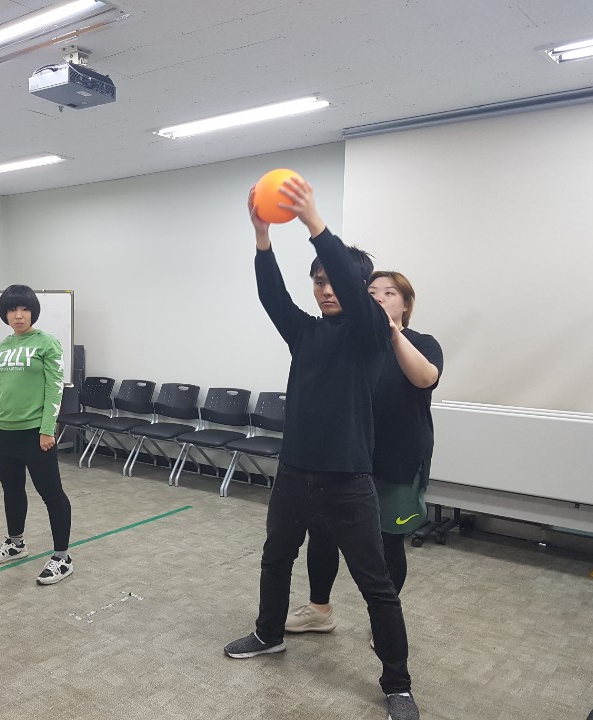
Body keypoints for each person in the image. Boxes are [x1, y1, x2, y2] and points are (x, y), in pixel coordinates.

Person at [223, 179, 421, 720]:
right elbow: (272, 297)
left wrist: (315, 225)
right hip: (295, 472)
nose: (325, 289)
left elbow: (356, 295)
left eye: (334, 281)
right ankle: (269, 634)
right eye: (318, 281)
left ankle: (398, 684)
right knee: (275, 558)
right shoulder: (307, 333)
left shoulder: (371, 334)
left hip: (348, 479)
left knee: (376, 585)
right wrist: (263, 238)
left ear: (358, 291)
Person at [286, 272, 443, 643]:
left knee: (387, 541)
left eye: (389, 293)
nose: (379, 298)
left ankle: (384, 619)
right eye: (370, 292)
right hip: (347, 455)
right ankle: (319, 611)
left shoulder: (422, 342)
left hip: (397, 458)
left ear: (405, 304)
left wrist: (393, 333)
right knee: (322, 531)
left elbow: (425, 378)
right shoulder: (353, 340)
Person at [0, 284, 72, 585]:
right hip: (3, 432)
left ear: (33, 312)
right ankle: (16, 543)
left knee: (52, 494)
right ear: (4, 314)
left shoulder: (47, 343)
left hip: (35, 434)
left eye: (24, 309)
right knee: (12, 490)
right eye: (12, 310)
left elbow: (54, 388)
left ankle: (62, 558)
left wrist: (47, 429)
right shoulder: (2, 348)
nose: (18, 315)